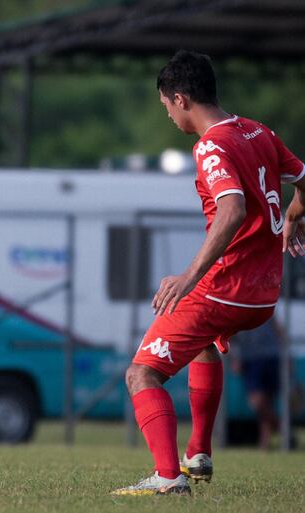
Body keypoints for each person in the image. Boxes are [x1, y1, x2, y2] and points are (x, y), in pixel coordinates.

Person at [112, 50, 305, 496]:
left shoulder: (211, 145)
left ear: (180, 99)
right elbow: (303, 180)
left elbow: (232, 209)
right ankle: (199, 450)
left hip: (226, 287)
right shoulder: (259, 131)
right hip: (264, 295)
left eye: (165, 107)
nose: (168, 117)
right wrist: (295, 213)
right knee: (202, 347)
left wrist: (188, 276)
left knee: (141, 374)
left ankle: (166, 477)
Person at [231, 318, 283, 450]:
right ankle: (280, 426)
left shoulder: (265, 301)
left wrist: (286, 357)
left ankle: (264, 443)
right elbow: (229, 336)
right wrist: (235, 357)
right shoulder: (236, 306)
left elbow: (278, 329)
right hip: (250, 359)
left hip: (271, 356)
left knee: (267, 402)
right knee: (257, 402)